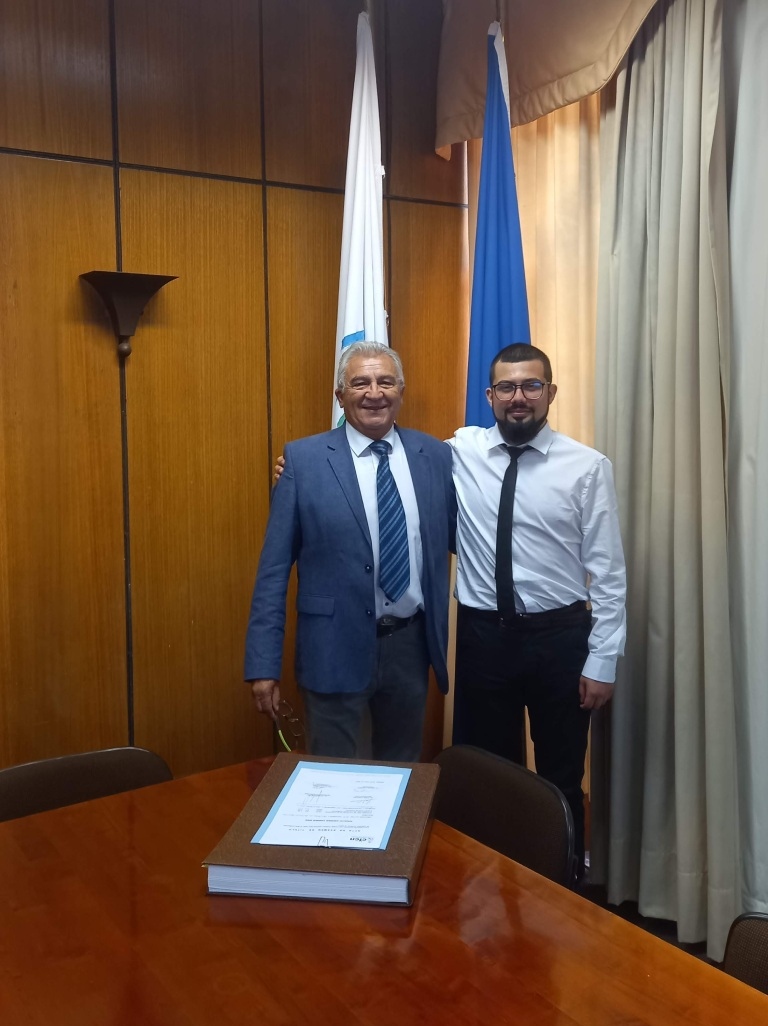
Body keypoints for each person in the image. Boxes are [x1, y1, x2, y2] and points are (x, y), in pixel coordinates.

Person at [449, 343, 626, 876]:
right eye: (507, 387)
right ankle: (492, 897)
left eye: (531, 386)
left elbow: (609, 574)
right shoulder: (461, 450)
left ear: (550, 392)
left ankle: (563, 889)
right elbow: (391, 462)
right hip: (483, 642)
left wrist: (602, 661)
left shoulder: (587, 467)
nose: (518, 397)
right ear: (489, 396)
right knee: (489, 775)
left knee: (560, 778)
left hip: (560, 642)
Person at [245, 341, 455, 762]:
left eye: (385, 381)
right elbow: (273, 571)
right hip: (332, 646)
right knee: (333, 777)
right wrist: (263, 664)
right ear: (340, 396)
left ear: (400, 391)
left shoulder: (434, 455)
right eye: (360, 382)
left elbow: (458, 533)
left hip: (409, 648)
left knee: (402, 774)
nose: (374, 392)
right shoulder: (302, 460)